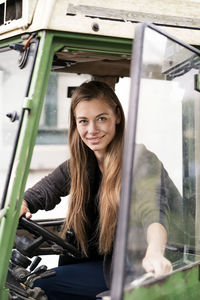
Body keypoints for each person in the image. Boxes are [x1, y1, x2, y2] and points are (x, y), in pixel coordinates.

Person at [20, 80, 172, 300]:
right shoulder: (80, 164)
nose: (92, 130)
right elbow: (38, 194)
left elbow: (154, 213)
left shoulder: (141, 162)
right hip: (100, 263)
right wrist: (22, 204)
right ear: (75, 124)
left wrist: (155, 251)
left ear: (117, 117)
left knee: (40, 287)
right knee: (30, 282)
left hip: (138, 268)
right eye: (83, 121)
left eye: (101, 118)